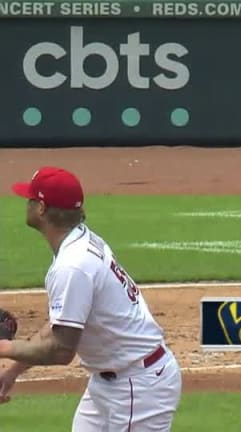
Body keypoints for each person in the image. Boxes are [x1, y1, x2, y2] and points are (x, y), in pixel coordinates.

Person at [0, 167, 182, 429]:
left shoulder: (73, 265)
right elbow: (58, 325)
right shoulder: (80, 241)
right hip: (109, 382)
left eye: (29, 199)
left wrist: (4, 347)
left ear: (41, 208)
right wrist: (13, 370)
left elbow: (62, 351)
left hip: (138, 387)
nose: (25, 203)